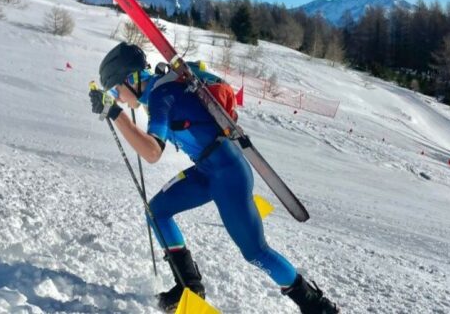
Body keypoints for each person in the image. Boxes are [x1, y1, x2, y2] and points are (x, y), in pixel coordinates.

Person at [89, 42, 340, 314]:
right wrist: (113, 108)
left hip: (229, 175)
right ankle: (188, 286)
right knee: (156, 211)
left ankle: (318, 306)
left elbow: (152, 153)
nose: (119, 98)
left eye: (116, 90)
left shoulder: (162, 94)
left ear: (132, 78)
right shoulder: (155, 92)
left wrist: (115, 113)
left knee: (255, 252)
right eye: (112, 95)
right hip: (206, 170)